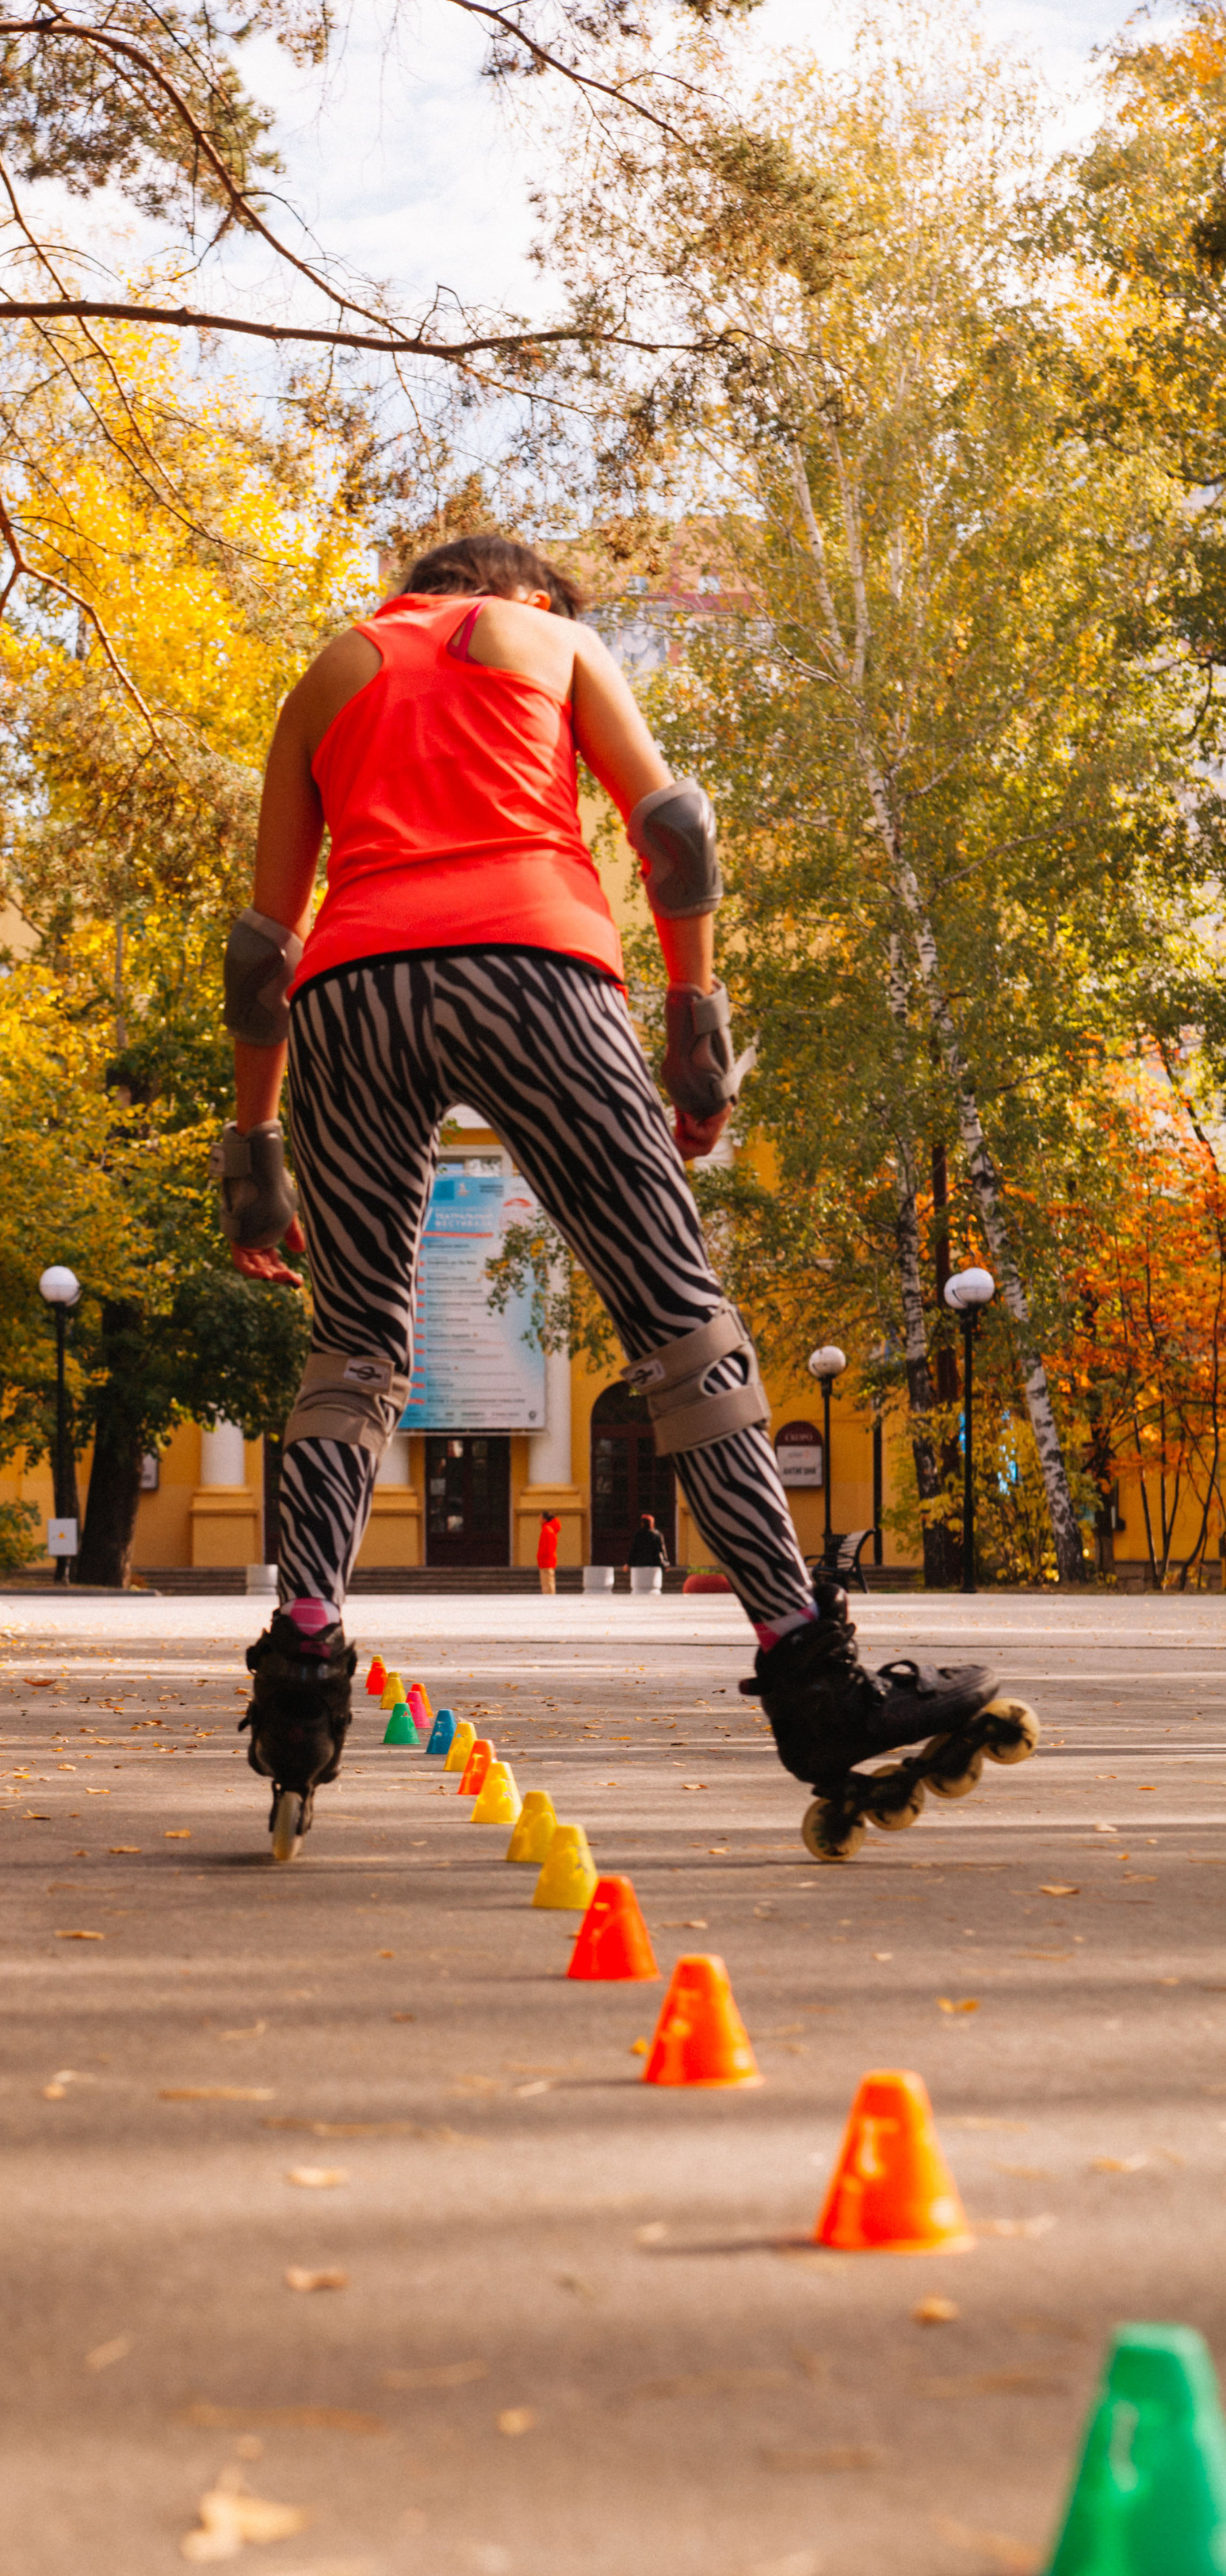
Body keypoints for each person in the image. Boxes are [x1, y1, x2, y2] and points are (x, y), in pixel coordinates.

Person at [213, 531, 1027, 1859]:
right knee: (675, 1321)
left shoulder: (330, 671)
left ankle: (301, 1681)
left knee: (354, 1347)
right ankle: (811, 1676)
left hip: (352, 995)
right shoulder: (550, 638)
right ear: (523, 592)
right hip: (535, 964)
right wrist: (695, 1019)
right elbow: (671, 827)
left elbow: (263, 948)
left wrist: (255, 1149)